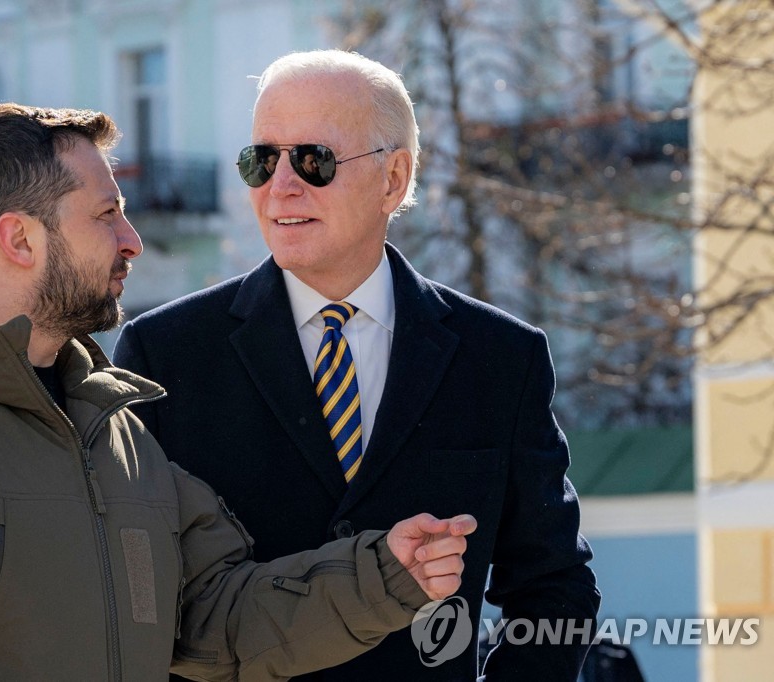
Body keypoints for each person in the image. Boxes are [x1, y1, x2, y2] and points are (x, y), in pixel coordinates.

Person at [0, 103, 478, 681]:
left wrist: (383, 575)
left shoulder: (114, 433)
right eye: (105, 215)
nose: (131, 238)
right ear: (21, 238)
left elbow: (210, 618)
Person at [114, 49, 601, 680]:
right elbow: (143, 602)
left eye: (313, 160)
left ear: (393, 179)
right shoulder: (165, 354)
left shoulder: (500, 357)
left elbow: (555, 585)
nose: (280, 186)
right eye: (261, 160)